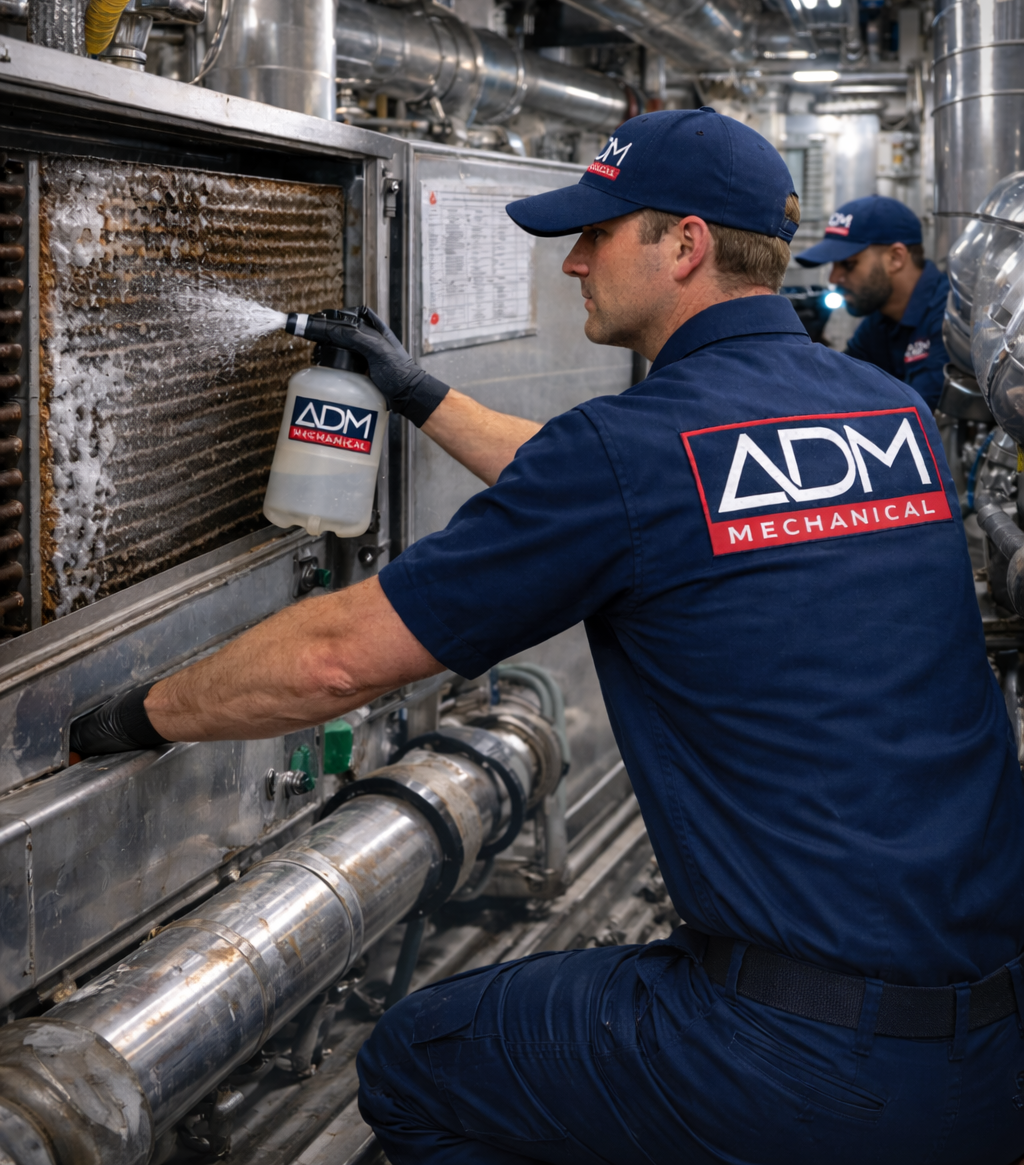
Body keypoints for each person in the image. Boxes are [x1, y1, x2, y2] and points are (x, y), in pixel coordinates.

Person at [71, 109, 1024, 1165]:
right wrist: (417, 393)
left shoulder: (635, 453)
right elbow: (634, 492)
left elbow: (338, 658)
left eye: (598, 233)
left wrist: (119, 717)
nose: (572, 262)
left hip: (795, 1059)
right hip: (990, 1031)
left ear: (685, 246)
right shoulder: (882, 412)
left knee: (418, 1061)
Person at [795, 195, 950, 410]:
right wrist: (806, 348)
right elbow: (837, 390)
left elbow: (918, 415)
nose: (833, 278)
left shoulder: (949, 317)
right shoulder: (880, 322)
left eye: (848, 264)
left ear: (896, 258)